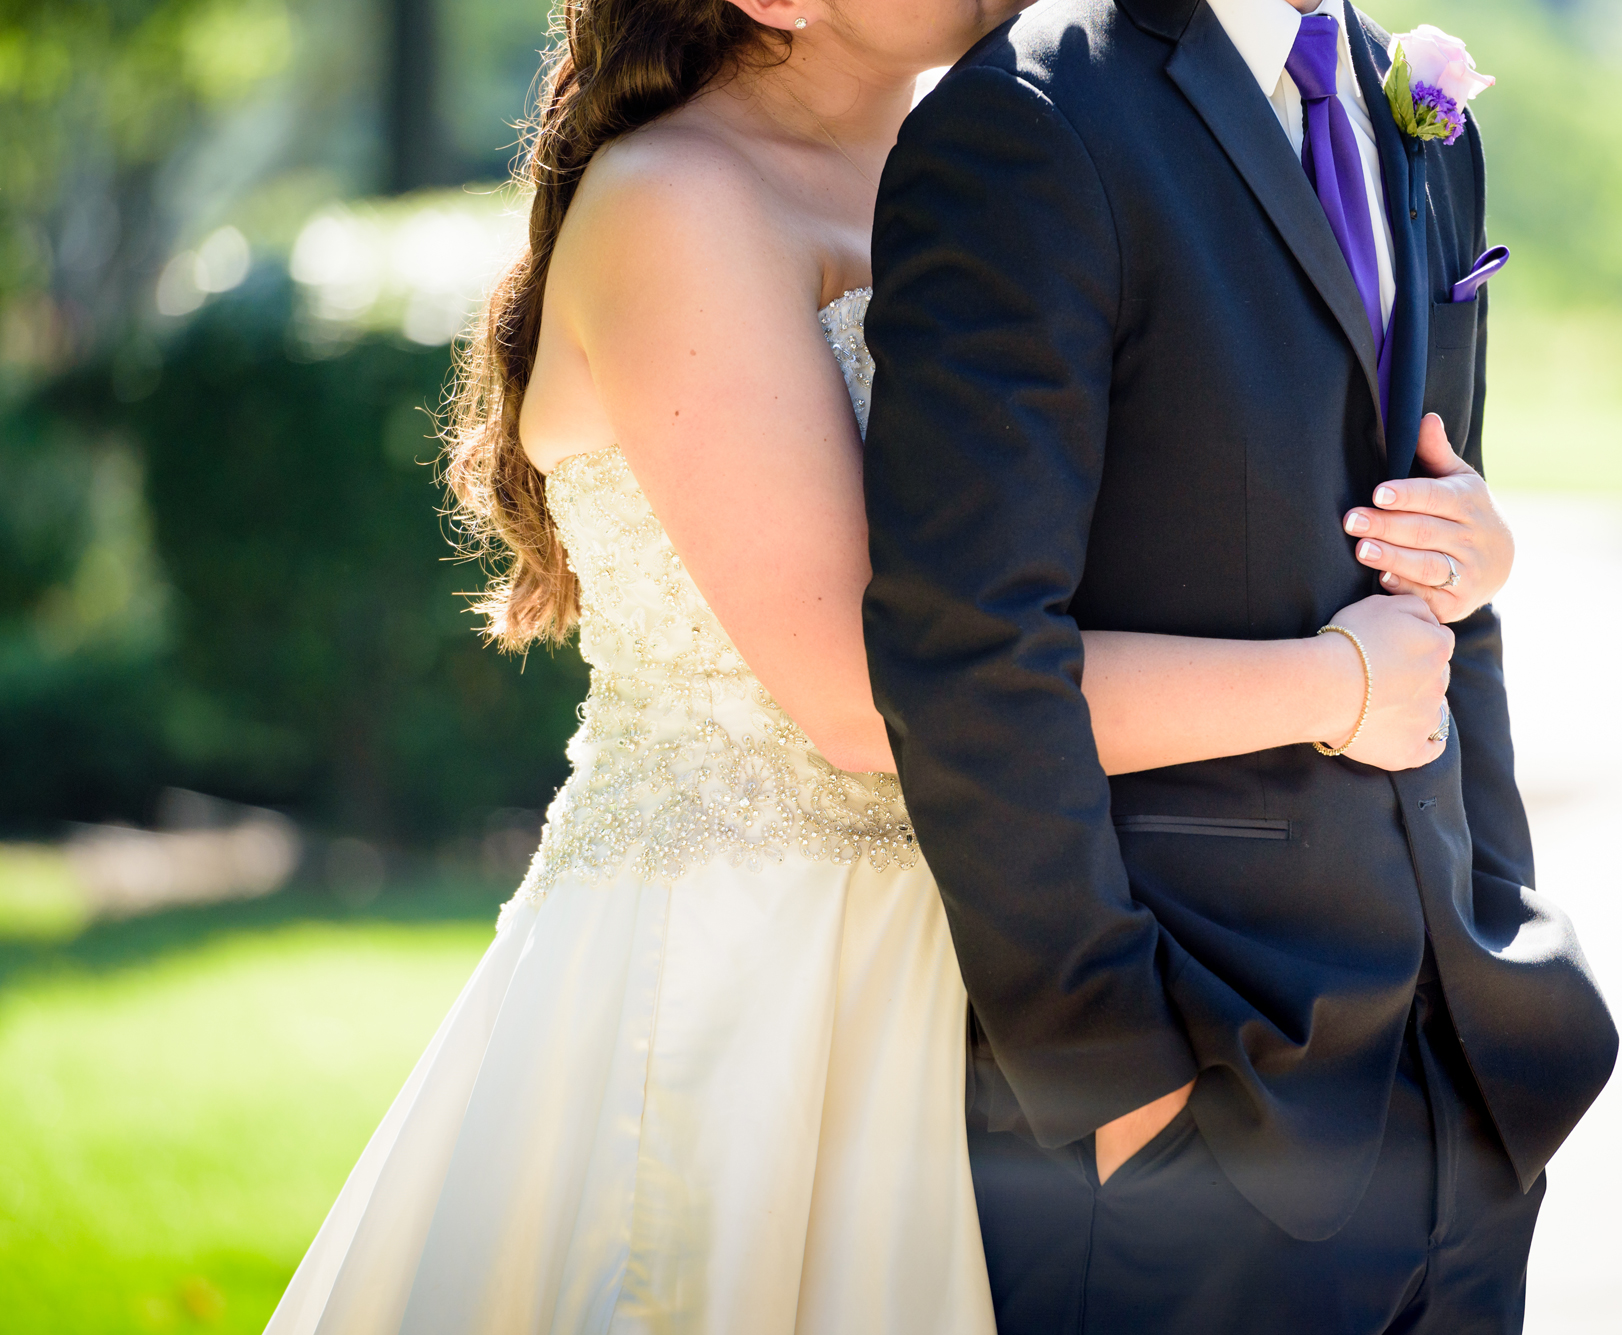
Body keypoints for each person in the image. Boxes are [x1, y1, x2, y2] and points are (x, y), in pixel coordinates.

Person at [262, 0, 1472, 1331]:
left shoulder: (1012, 142)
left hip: (988, 939)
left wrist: (1455, 539)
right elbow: (862, 694)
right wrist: (1334, 684)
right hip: (750, 987)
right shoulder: (675, 203)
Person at [859, 0, 1620, 1331]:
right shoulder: (1029, 120)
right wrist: (1117, 1079)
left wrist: (1493, 903)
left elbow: (1437, 552)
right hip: (1200, 1096)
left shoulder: (1423, 120)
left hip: (1464, 1082)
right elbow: (966, 645)